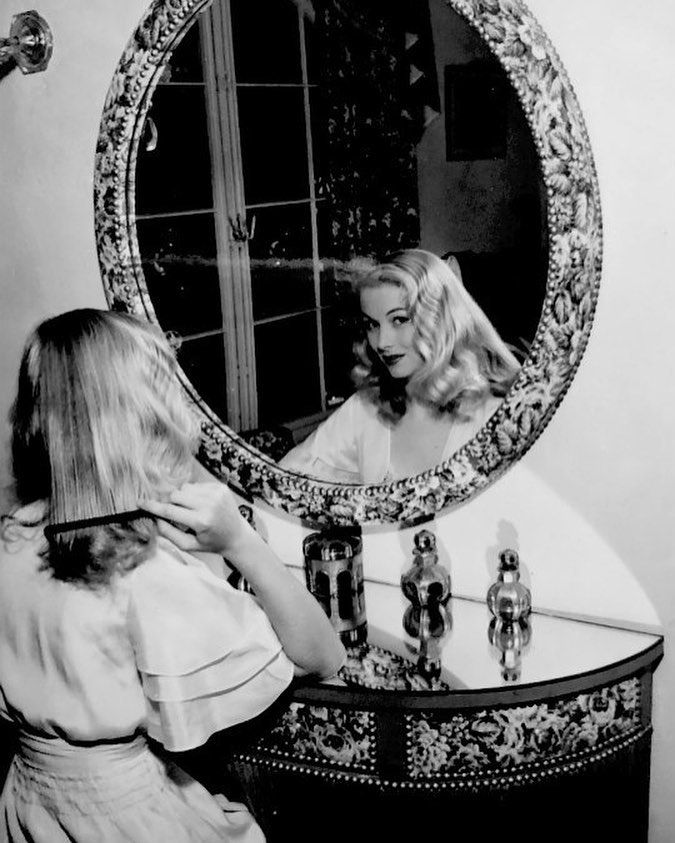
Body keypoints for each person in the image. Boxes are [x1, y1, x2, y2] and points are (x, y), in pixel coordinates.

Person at [0, 308, 344, 842]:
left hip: (29, 803)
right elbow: (322, 655)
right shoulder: (141, 571)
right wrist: (239, 542)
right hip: (125, 819)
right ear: (144, 418)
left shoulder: (12, 539)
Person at [280, 248, 520, 483]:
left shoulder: (497, 413)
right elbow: (286, 480)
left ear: (440, 317)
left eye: (399, 320)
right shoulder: (367, 408)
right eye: (372, 324)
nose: (382, 343)